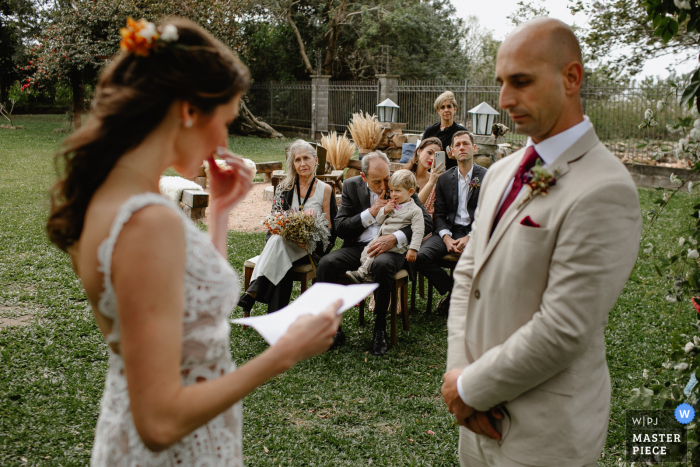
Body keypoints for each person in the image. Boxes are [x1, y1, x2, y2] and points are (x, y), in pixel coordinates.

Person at [45, 18, 342, 466]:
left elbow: (188, 308)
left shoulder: (111, 198)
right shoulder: (149, 220)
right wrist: (283, 354)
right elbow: (159, 422)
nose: (224, 140)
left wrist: (220, 212)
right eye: (223, 121)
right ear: (187, 112)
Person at [440, 18, 641, 467]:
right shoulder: (504, 172)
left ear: (572, 78)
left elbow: (563, 328)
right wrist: (459, 376)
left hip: (543, 435)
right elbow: (468, 270)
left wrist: (471, 389)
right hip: (473, 422)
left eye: (522, 81)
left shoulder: (606, 188)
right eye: (501, 83)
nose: (505, 99)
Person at [316, 151, 433, 356]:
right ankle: (334, 329)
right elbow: (341, 227)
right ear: (364, 178)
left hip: (392, 249)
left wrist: (395, 237)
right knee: (326, 264)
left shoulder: (400, 184)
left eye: (386, 179)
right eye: (377, 182)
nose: (385, 187)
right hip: (358, 247)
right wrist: (369, 214)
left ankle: (380, 330)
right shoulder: (352, 186)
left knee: (382, 265)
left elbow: (426, 221)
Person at [238, 140, 336, 314]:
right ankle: (270, 310)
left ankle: (253, 291)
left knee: (278, 247)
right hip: (283, 245)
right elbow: (273, 222)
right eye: (297, 160)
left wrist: (312, 243)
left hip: (309, 249)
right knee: (278, 243)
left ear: (316, 160)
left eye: (306, 158)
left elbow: (329, 228)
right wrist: (287, 234)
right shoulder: (284, 188)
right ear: (293, 164)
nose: (302, 163)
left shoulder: (326, 189)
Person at [416, 130, 487, 315]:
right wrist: (446, 237)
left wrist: (471, 237)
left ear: (474, 148)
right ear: (451, 152)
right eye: (457, 145)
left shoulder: (487, 176)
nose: (462, 147)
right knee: (421, 257)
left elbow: (489, 213)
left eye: (466, 143)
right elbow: (439, 214)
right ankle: (456, 293)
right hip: (449, 230)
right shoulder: (444, 178)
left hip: (475, 231)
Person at [345, 170, 424, 283]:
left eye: (397, 190)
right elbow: (379, 220)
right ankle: (368, 277)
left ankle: (361, 274)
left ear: (411, 192)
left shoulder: (415, 210)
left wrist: (413, 249)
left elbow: (418, 230)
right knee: (365, 254)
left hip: (396, 246)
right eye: (391, 190)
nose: (393, 194)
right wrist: (385, 210)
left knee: (373, 255)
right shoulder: (391, 205)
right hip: (379, 239)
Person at [422, 91, 467, 170]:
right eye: (442, 107)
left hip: (453, 174)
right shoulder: (430, 131)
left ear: (455, 108)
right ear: (438, 110)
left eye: (449, 106)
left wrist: (456, 157)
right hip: (431, 173)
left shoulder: (461, 132)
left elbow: (468, 157)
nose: (446, 110)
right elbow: (421, 154)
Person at [404, 136, 446, 215]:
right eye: (429, 153)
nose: (432, 158)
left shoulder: (436, 183)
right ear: (419, 151)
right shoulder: (403, 176)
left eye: (436, 155)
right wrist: (430, 183)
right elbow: (410, 208)